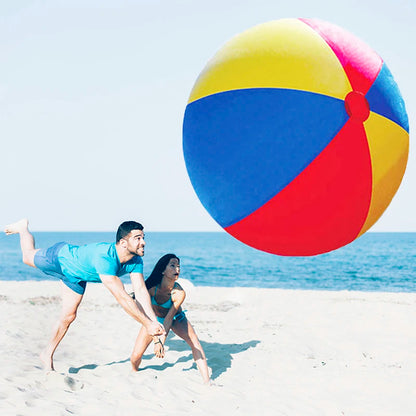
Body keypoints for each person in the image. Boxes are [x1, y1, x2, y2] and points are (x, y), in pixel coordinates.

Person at [4, 218, 165, 371]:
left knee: (68, 317)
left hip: (76, 279)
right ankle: (23, 228)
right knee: (27, 256)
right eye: (137, 238)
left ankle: (46, 354)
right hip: (60, 259)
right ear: (123, 243)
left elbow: (141, 292)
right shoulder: (105, 258)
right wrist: (147, 324)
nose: (143, 242)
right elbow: (122, 296)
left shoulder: (136, 261)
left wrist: (153, 325)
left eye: (143, 238)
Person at [130, 253, 211, 384]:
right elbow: (145, 315)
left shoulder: (179, 293)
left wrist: (161, 341)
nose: (177, 269)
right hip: (154, 320)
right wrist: (157, 340)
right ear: (163, 270)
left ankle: (207, 381)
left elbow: (168, 319)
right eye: (172, 266)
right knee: (135, 356)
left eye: (178, 266)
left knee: (195, 343)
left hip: (176, 319)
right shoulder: (151, 289)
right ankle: (134, 372)